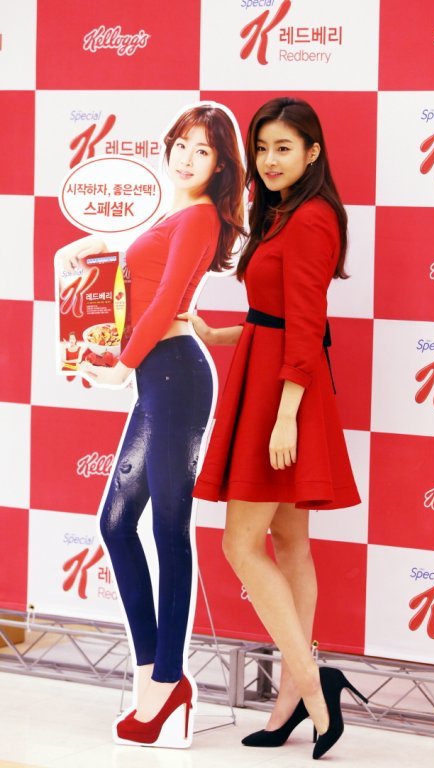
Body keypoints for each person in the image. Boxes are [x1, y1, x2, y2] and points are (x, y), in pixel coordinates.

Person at [181, 97, 366, 760]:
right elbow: (274, 318)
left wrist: (286, 414)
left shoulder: (312, 217)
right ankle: (293, 698)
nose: (268, 160)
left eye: (283, 147)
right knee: (289, 542)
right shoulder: (281, 212)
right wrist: (217, 334)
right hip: (271, 379)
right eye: (261, 148)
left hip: (284, 395)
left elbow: (308, 326)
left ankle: (313, 687)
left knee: (240, 543)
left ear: (313, 152)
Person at [55, 103, 245, 748]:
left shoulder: (201, 216)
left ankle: (168, 681)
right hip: (159, 377)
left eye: (202, 151)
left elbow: (166, 299)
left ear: (220, 165)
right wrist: (93, 249)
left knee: (168, 527)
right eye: (181, 145)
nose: (186, 158)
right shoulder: (175, 215)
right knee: (116, 523)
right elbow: (142, 281)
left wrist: (121, 366)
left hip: (175, 376)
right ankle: (153, 675)